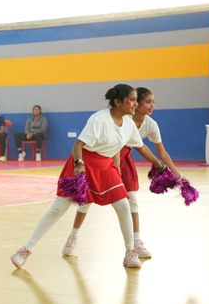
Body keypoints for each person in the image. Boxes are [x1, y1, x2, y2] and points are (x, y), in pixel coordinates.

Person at [10, 84, 167, 270]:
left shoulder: (129, 125)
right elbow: (77, 145)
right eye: (131, 100)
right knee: (58, 209)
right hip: (83, 163)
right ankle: (25, 250)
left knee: (124, 204)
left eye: (136, 100)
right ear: (118, 102)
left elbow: (142, 147)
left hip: (106, 167)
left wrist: (159, 164)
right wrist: (79, 164)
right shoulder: (99, 119)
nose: (136, 104)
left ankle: (129, 252)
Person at [61, 87, 182, 259]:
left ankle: (136, 242)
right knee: (87, 199)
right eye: (147, 101)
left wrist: (177, 176)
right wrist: (115, 171)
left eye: (153, 102)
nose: (152, 105)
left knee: (131, 199)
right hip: (108, 157)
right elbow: (115, 148)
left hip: (125, 158)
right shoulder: (122, 117)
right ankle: (73, 235)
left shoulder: (150, 124)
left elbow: (160, 153)